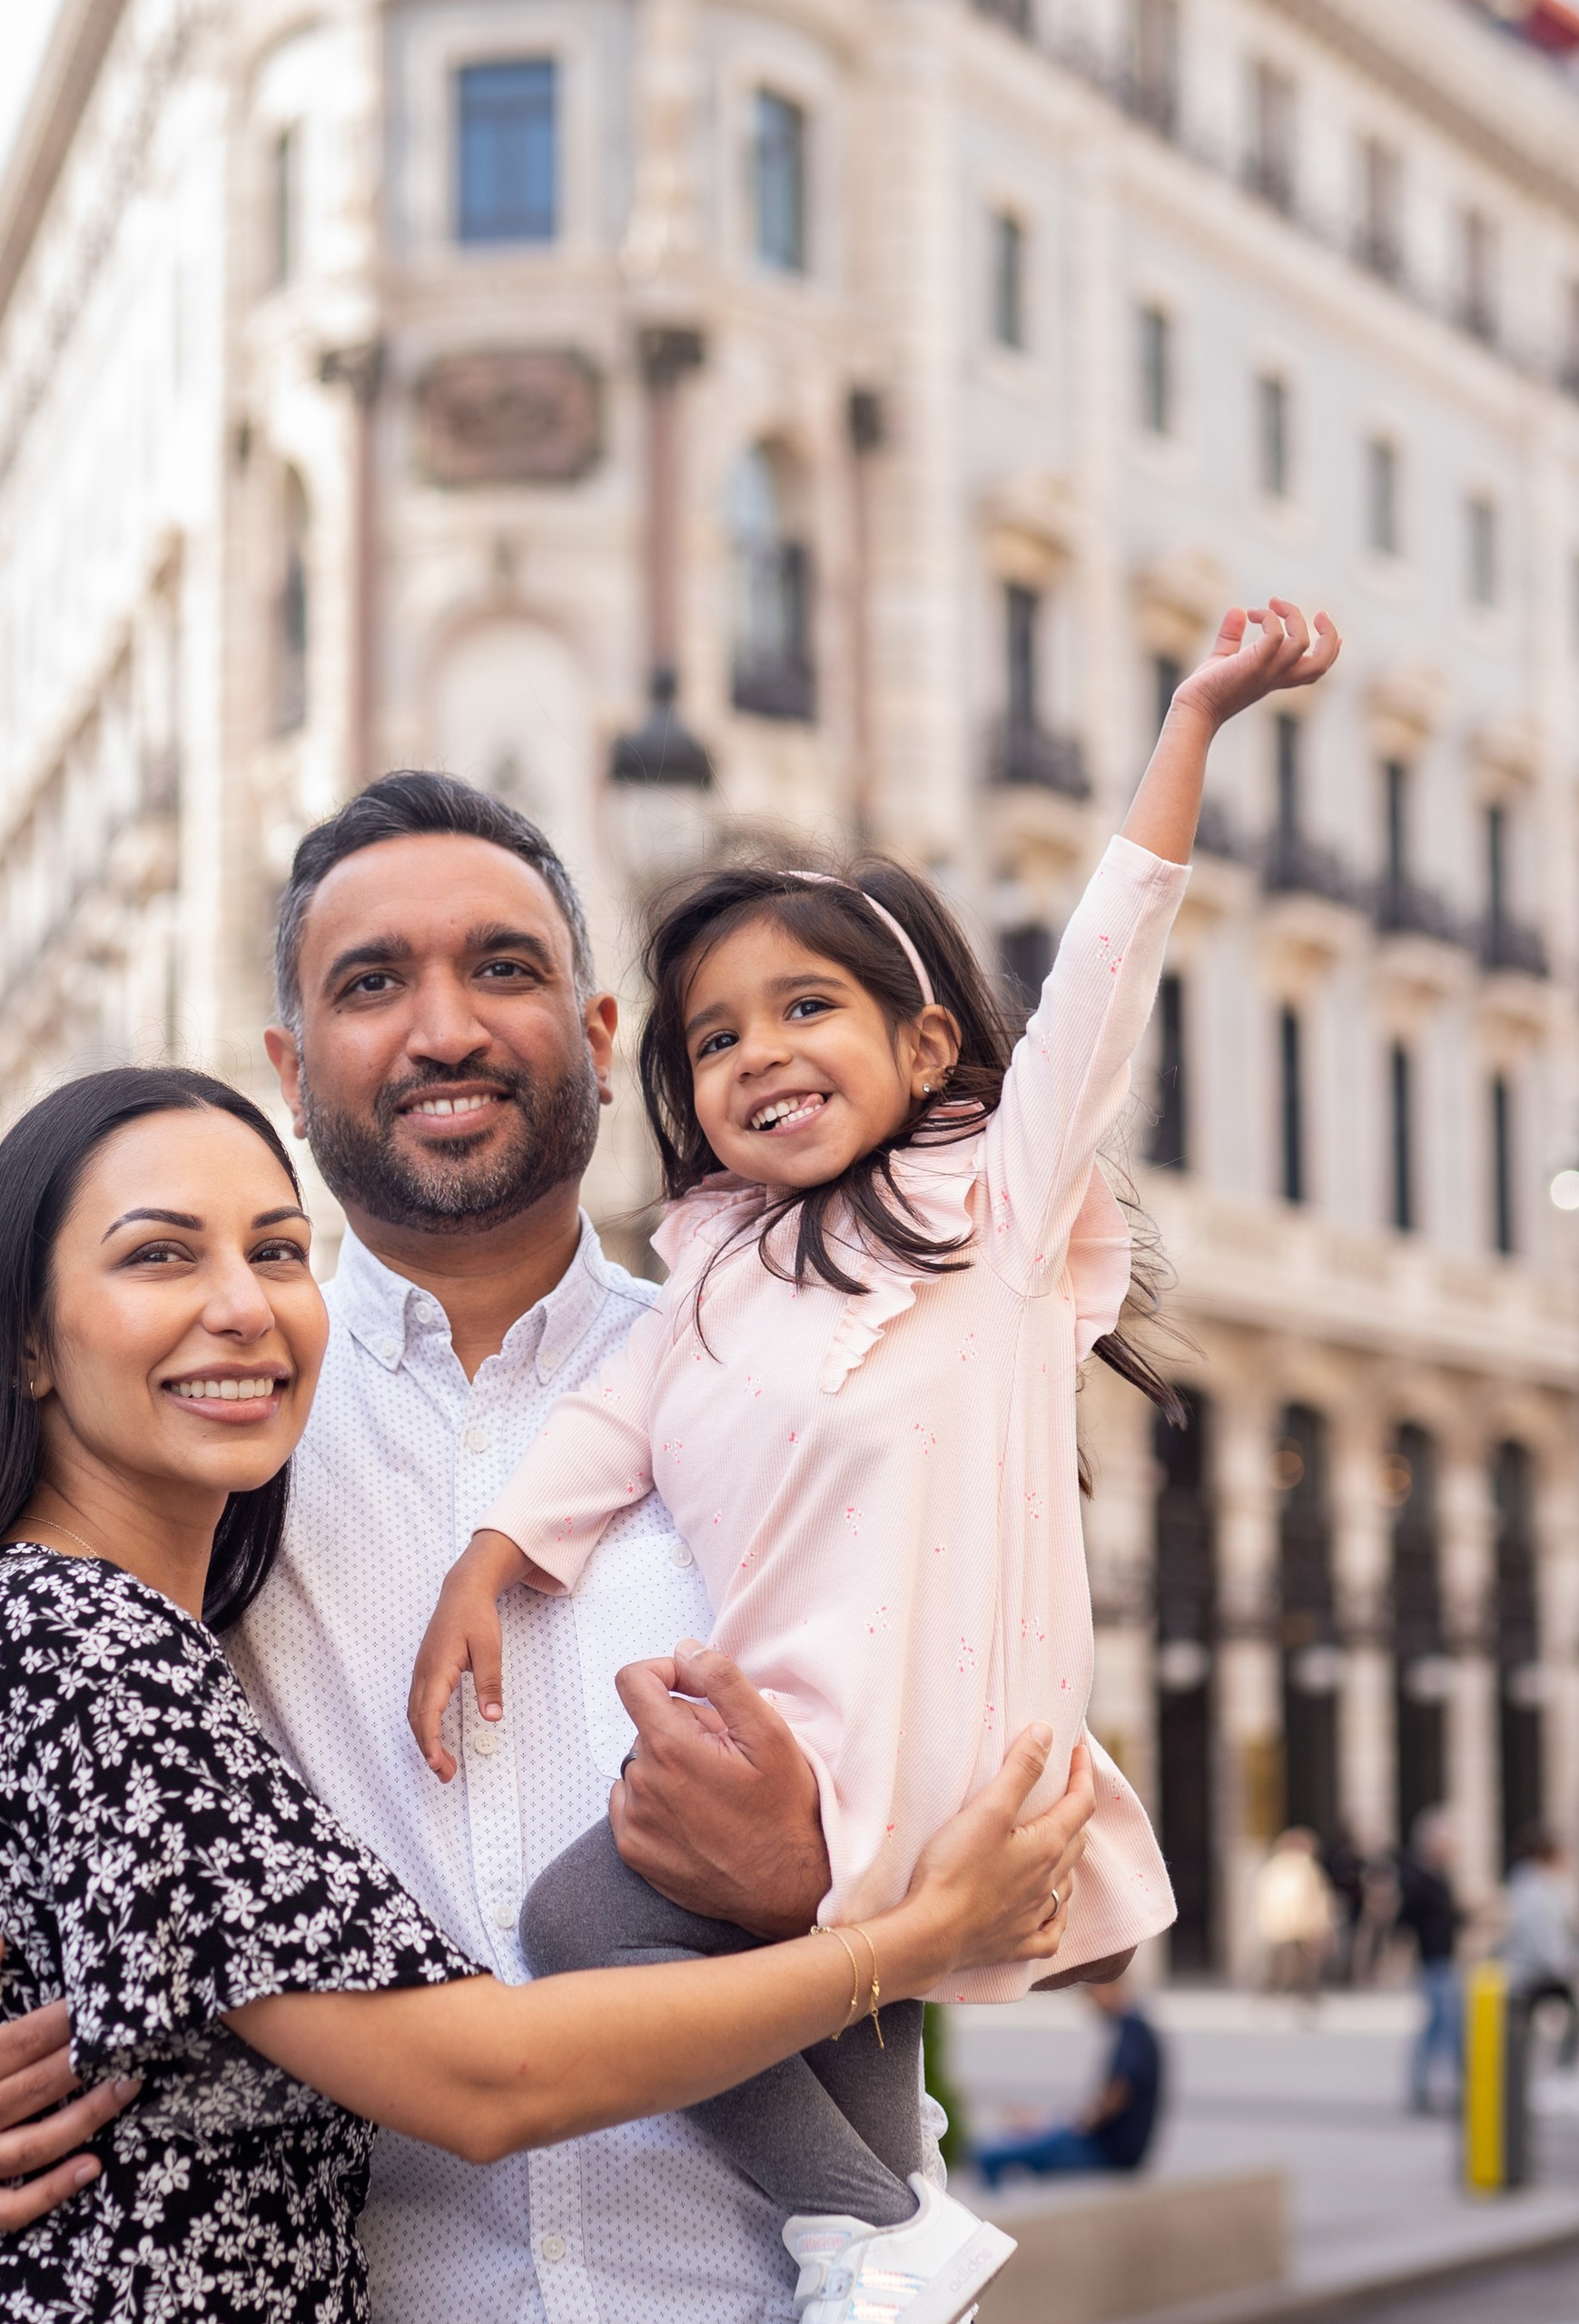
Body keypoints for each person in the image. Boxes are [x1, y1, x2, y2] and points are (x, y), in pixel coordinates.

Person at [0, 771, 1087, 2321]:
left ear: (602, 1038)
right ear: (291, 1065)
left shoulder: (801, 1380)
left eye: (504, 968)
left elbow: (1018, 1846)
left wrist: (815, 1868)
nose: (446, 1029)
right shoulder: (216, 1427)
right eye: (372, 983)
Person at [410, 600, 1337, 2299]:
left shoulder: (990, 1203)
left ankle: (882, 2238)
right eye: (717, 1038)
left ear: (922, 1048)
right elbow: (609, 1423)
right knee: (824, 2039)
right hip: (785, 1755)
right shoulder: (701, 1271)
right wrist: (494, 1559)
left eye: (808, 1008)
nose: (760, 1051)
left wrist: (1194, 722)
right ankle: (886, 2249)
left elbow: (1107, 970)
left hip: (923, 1752)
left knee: (579, 1927)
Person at [972, 1980, 1163, 2188]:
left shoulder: (1132, 2027)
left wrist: (1077, 2123)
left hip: (1106, 2150)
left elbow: (1120, 2090)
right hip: (1104, 2145)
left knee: (988, 2154)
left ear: (1108, 1987)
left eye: (1090, 1993)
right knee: (1021, 2138)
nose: (1089, 2003)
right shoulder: (1135, 2027)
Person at [1498, 1827, 1579, 2074]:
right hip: (1538, 1970)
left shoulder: (1535, 1881)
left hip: (1537, 1968)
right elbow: (1542, 1930)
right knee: (1571, 2021)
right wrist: (1561, 1963)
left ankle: (1536, 2075)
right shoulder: (1535, 1885)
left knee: (1527, 2024)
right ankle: (1553, 2075)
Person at [1393, 1807, 1462, 2115]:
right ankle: (1437, 2088)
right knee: (1445, 2029)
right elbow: (1405, 1920)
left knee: (1439, 2027)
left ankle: (1428, 2087)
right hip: (1433, 1960)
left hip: (1444, 1959)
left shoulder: (1438, 1877)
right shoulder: (1420, 1878)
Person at [1250, 1828, 1335, 2004]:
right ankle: (1304, 1998)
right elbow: (1316, 1899)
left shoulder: (1271, 1868)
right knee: (1303, 1967)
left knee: (1280, 1965)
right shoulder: (1306, 1868)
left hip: (1278, 1927)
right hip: (1299, 1927)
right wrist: (1320, 1925)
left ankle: (1271, 1996)